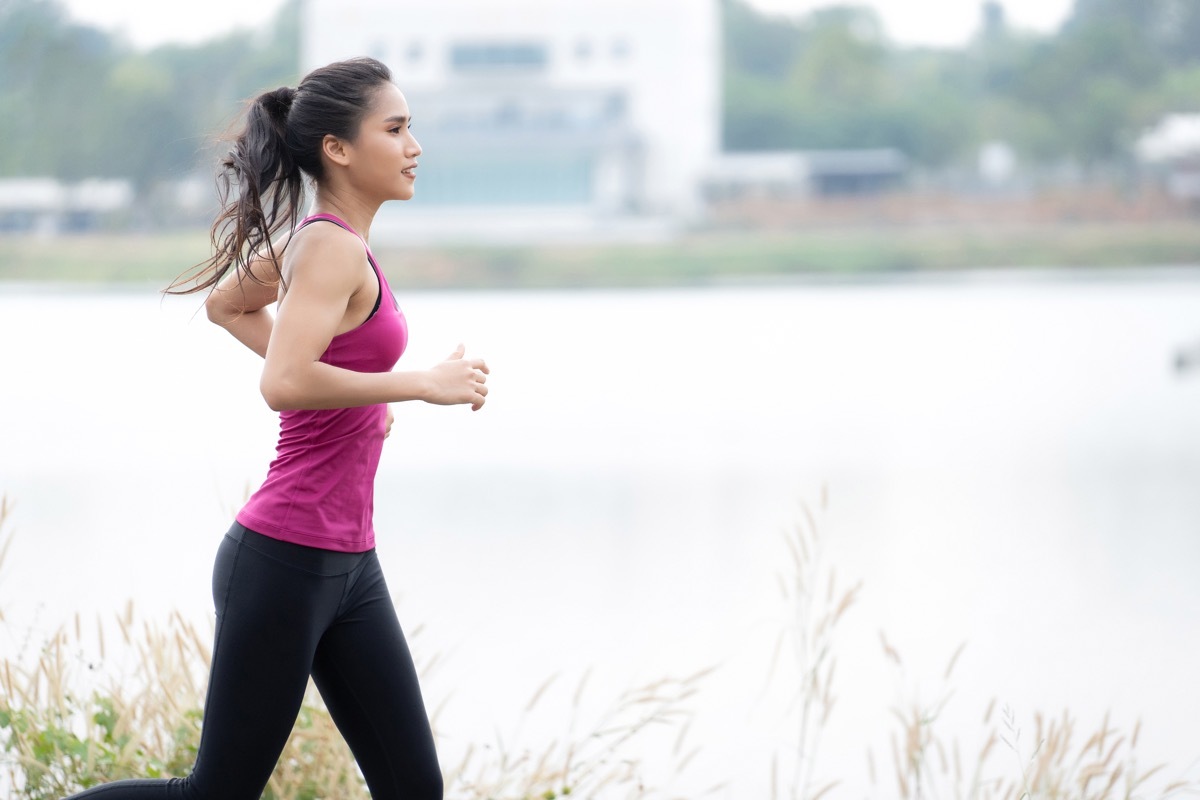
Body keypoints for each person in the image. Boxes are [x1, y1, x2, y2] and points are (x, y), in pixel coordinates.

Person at [65, 56, 488, 799]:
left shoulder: (326, 241)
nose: (414, 145)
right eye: (395, 129)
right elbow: (286, 382)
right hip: (286, 558)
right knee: (215, 794)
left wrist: (359, 397)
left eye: (411, 128)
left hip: (349, 564)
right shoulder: (327, 246)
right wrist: (418, 384)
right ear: (339, 149)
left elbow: (231, 305)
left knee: (415, 789)